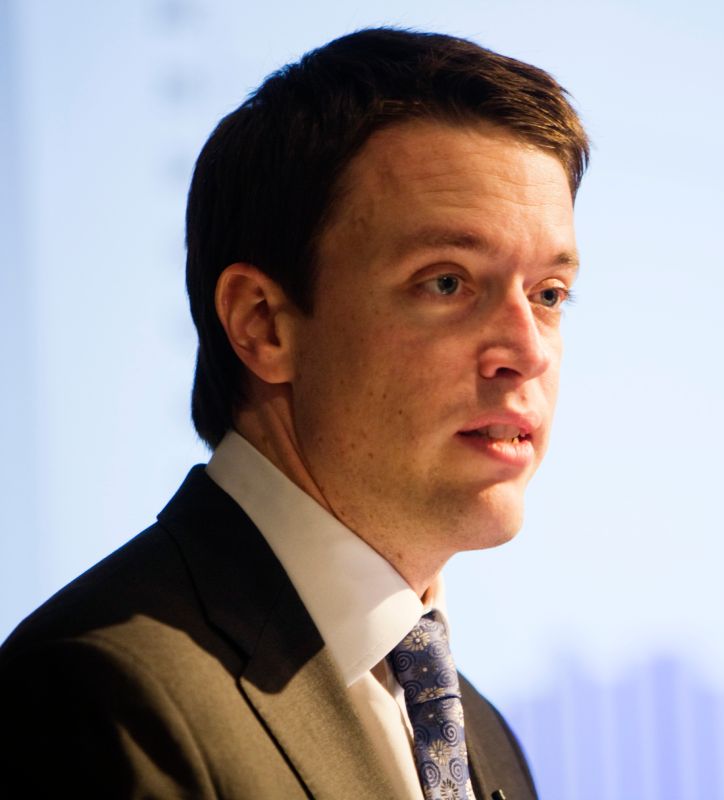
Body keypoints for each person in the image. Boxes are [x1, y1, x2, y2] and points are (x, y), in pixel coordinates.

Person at [0, 26, 588, 800]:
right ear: (263, 324)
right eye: (446, 282)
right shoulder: (103, 692)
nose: (527, 350)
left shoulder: (482, 735)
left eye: (548, 294)